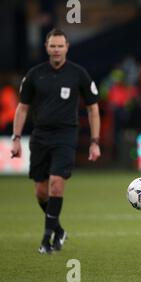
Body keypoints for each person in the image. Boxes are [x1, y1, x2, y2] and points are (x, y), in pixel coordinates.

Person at [10, 29, 101, 254]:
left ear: (67, 47)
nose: (57, 50)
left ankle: (47, 239)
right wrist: (16, 138)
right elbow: (22, 108)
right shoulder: (34, 75)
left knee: (56, 184)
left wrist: (94, 141)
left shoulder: (78, 74)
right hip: (39, 136)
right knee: (41, 192)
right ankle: (58, 229)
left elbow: (93, 108)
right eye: (53, 46)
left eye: (60, 46)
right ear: (46, 47)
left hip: (66, 136)